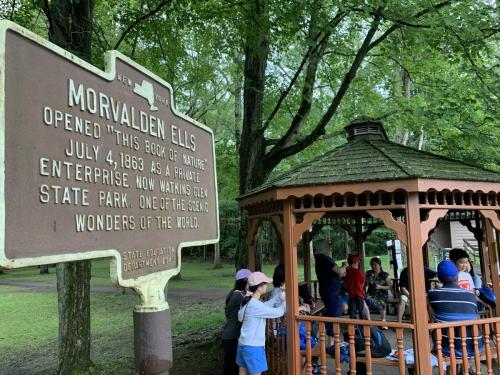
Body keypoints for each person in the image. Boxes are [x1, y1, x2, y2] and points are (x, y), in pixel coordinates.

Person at [428, 260, 483, 358]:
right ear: (457, 276)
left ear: (440, 279)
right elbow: (478, 308)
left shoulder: (433, 293)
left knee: (437, 324)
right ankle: (463, 369)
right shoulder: (471, 295)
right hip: (474, 347)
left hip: (447, 348)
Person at [237, 272, 286, 375]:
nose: (267, 286)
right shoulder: (255, 305)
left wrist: (278, 297)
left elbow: (263, 307)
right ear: (259, 287)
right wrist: (286, 300)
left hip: (243, 344)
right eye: (265, 283)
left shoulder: (247, 301)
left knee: (242, 372)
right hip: (253, 347)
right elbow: (278, 312)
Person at [314, 240, 346, 345]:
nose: (329, 249)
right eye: (328, 248)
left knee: (331, 312)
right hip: (331, 291)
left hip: (327, 290)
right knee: (334, 314)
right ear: (324, 249)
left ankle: (321, 331)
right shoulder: (325, 259)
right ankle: (332, 341)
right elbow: (340, 272)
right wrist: (344, 266)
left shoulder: (319, 260)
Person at [222, 268, 251, 375]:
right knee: (231, 368)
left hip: (229, 336)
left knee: (232, 367)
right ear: (244, 282)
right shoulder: (238, 296)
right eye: (250, 281)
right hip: (231, 337)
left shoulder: (235, 293)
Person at [365, 257, 392, 328]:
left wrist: (381, 287)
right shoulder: (368, 273)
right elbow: (366, 283)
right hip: (371, 293)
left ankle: (383, 321)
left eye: (375, 264)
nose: (373, 266)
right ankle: (368, 321)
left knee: (381, 301)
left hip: (381, 293)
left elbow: (390, 287)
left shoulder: (385, 275)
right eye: (372, 265)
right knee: (362, 299)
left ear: (379, 265)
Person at [344, 254, 367, 319]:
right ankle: (363, 325)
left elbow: (345, 283)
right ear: (355, 262)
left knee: (352, 310)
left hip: (351, 294)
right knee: (361, 310)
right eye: (358, 261)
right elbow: (363, 281)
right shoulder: (358, 272)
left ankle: (353, 326)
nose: (358, 263)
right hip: (359, 294)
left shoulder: (347, 272)